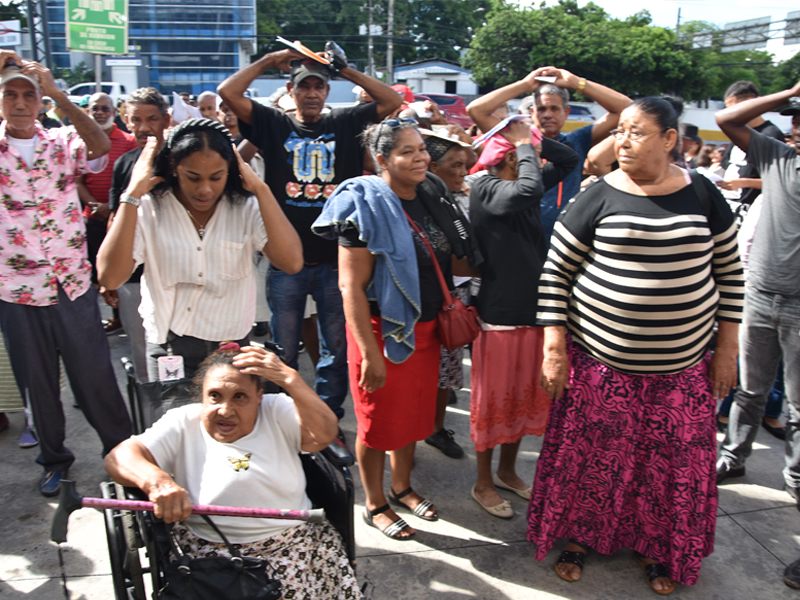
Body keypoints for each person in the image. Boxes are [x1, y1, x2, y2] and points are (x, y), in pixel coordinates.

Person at [529, 97, 744, 593]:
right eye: (620, 131)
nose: (623, 140)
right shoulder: (598, 195)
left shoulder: (703, 195)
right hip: (601, 368)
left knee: (667, 468)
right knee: (594, 462)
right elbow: (556, 274)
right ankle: (581, 538)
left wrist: (727, 349)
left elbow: (731, 275)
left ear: (670, 139)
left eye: (637, 132)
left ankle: (655, 546)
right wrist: (554, 349)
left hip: (681, 370)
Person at [312, 118, 482, 539]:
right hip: (381, 333)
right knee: (376, 424)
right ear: (382, 159)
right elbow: (349, 286)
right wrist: (369, 353)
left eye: (422, 148)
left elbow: (453, 258)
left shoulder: (431, 195)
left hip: (425, 331)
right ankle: (374, 503)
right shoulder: (364, 206)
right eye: (407, 151)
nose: (421, 157)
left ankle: (402, 486)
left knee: (412, 419)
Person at [218, 43, 402, 420]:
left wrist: (345, 70)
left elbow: (391, 99)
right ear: (292, 91)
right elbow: (228, 93)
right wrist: (270, 60)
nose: (313, 93)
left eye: (320, 86)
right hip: (288, 262)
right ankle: (279, 417)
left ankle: (326, 417)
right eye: (305, 87)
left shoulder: (346, 124)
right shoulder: (274, 125)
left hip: (337, 262)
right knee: (282, 349)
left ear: (327, 91)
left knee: (335, 346)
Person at [104, 344, 360, 597]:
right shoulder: (183, 422)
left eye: (240, 396)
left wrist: (290, 379)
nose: (225, 410)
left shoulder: (275, 409)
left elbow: (324, 435)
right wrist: (158, 481)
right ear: (202, 396)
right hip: (210, 556)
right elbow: (118, 457)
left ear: (259, 397)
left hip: (293, 547)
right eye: (214, 395)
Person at [0, 50, 133, 497]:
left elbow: (98, 147)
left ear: (39, 102)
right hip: (16, 288)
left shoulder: (60, 142)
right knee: (37, 383)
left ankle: (123, 451)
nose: (20, 103)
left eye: (28, 95)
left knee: (95, 373)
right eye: (9, 94)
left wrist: (58, 92)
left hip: (71, 283)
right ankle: (55, 460)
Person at [98, 118, 303, 381]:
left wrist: (261, 189)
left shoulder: (245, 207)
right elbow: (110, 276)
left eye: (216, 177)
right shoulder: (151, 208)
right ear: (173, 166)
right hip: (168, 347)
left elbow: (292, 262)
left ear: (232, 169)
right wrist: (132, 193)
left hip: (231, 349)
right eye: (192, 177)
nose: (204, 189)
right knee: (176, 423)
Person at [466, 74, 579, 519]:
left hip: (534, 311)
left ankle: (509, 473)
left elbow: (568, 159)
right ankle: (481, 481)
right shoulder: (489, 188)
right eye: (518, 155)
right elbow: (530, 187)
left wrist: (530, 138)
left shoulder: (519, 184)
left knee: (522, 401)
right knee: (492, 405)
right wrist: (526, 147)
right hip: (498, 315)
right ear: (505, 160)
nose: (527, 160)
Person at [715, 83, 800, 498]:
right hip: (760, 295)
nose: (796, 126)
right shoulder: (779, 157)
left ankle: (795, 480)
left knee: (798, 406)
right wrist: (790, 92)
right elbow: (726, 119)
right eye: (795, 118)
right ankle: (733, 455)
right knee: (749, 388)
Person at [105, 87, 172, 382]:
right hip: (132, 276)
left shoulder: (181, 160)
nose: (144, 128)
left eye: (152, 119)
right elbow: (114, 217)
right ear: (126, 121)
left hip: (173, 271)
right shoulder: (123, 164)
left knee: (176, 351)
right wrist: (107, 273)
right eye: (136, 120)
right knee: (142, 353)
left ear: (166, 119)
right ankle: (152, 419)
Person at [525, 66, 631, 241]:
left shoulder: (576, 140)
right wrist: (524, 85)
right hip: (526, 237)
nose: (548, 114)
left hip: (568, 236)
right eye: (542, 109)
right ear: (532, 112)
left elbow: (628, 110)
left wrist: (577, 83)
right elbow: (477, 111)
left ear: (566, 112)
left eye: (554, 108)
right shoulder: (521, 143)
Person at [422, 127, 475, 459]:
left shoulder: (467, 198)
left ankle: (436, 429)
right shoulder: (418, 203)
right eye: (454, 165)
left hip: (456, 299)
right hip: (427, 300)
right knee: (420, 373)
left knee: (447, 372)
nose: (463, 172)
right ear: (433, 168)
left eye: (464, 164)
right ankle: (408, 434)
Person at [76, 92, 138, 335]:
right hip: (92, 218)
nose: (100, 113)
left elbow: (131, 178)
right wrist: (94, 205)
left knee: (120, 270)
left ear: (114, 113)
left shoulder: (128, 140)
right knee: (96, 274)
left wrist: (112, 208)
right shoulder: (80, 142)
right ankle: (105, 316)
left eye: (105, 108)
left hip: (121, 217)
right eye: (95, 109)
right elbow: (78, 181)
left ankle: (121, 317)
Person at [717, 81, 785, 225]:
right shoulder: (737, 133)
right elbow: (724, 168)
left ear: (751, 104)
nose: (730, 115)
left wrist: (743, 182)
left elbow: (780, 181)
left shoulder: (770, 135)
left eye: (734, 108)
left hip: (753, 217)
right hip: (729, 212)